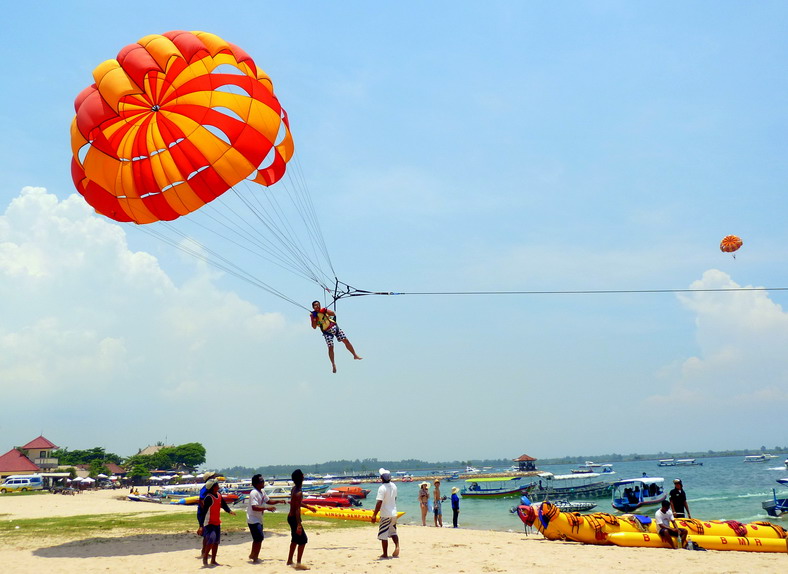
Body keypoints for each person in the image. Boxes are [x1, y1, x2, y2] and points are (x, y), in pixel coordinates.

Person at [310, 301, 362, 373]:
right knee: (331, 347)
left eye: (318, 305)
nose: (317, 306)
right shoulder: (313, 315)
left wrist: (325, 311)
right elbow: (314, 327)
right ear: (313, 307)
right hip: (327, 332)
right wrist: (315, 318)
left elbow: (333, 314)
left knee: (346, 340)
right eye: (315, 305)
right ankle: (333, 364)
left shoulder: (324, 310)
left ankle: (355, 355)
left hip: (334, 327)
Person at [246, 474, 285, 563]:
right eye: (261, 481)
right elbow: (254, 507)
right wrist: (267, 508)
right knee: (259, 537)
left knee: (258, 538)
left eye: (263, 481)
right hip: (252, 519)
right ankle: (254, 556)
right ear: (256, 483)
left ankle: (254, 555)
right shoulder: (254, 493)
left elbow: (268, 501)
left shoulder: (262, 491)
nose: (263, 482)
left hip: (259, 519)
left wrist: (278, 501)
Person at [197, 479, 236, 566]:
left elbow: (223, 504)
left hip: (217, 522)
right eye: (217, 485)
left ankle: (213, 560)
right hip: (209, 523)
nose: (218, 486)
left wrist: (229, 511)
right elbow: (203, 513)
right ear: (213, 487)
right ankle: (205, 556)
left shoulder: (218, 495)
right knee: (211, 539)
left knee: (216, 542)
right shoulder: (208, 498)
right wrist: (201, 526)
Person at [287, 469, 316, 570]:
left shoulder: (294, 488)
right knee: (303, 540)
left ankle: (290, 560)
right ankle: (298, 563)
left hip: (290, 517)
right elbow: (296, 509)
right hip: (294, 518)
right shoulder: (298, 492)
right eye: (302, 475)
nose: (304, 475)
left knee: (295, 539)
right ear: (300, 478)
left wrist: (308, 507)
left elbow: (297, 503)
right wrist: (299, 525)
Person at [371, 467, 400, 558]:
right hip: (394, 513)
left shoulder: (382, 488)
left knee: (383, 534)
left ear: (382, 478)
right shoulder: (394, 486)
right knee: (393, 531)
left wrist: (374, 515)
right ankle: (397, 546)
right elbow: (395, 498)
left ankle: (385, 554)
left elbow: (379, 502)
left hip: (385, 514)